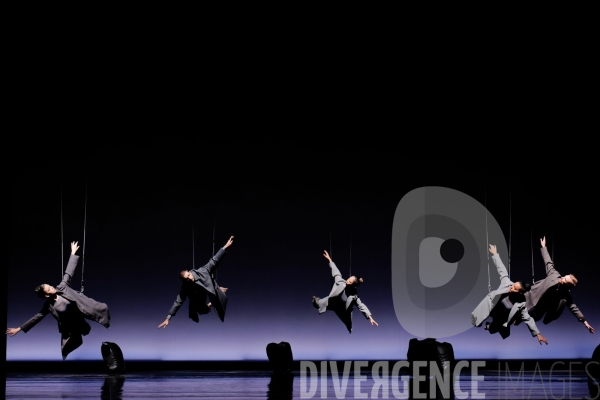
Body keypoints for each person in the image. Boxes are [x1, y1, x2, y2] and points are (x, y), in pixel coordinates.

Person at [5, 241, 111, 359]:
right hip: (72, 326)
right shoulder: (49, 306)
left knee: (101, 310)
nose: (52, 286)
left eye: (50, 285)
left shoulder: (62, 287)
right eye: (49, 288)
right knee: (79, 336)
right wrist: (19, 329)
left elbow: (68, 273)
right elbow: (36, 318)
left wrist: (73, 253)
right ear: (46, 295)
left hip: (82, 311)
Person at [471, 244, 548, 345]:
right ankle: (480, 322)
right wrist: (495, 254)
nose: (511, 288)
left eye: (514, 288)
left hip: (501, 318)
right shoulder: (507, 283)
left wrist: (538, 334)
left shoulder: (521, 303)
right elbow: (502, 270)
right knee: (477, 320)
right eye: (513, 285)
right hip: (492, 308)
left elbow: (528, 319)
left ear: (520, 292)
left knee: (494, 329)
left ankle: (489, 326)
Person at [158, 235, 234, 328]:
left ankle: (218, 289)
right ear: (184, 281)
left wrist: (225, 246)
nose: (189, 278)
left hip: (209, 288)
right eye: (186, 279)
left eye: (189, 275)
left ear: (190, 272)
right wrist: (168, 318)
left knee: (218, 300)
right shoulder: (185, 287)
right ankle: (210, 302)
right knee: (202, 311)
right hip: (198, 297)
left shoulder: (203, 271)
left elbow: (214, 261)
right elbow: (178, 301)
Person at [524, 236, 595, 334]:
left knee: (533, 318)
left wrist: (585, 322)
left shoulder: (565, 295)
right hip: (535, 295)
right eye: (564, 277)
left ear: (566, 286)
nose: (562, 278)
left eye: (564, 280)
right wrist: (544, 247)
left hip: (543, 307)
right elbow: (548, 262)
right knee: (521, 306)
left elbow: (574, 308)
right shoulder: (554, 275)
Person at [312, 250, 378, 333]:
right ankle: (316, 299)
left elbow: (361, 306)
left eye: (350, 282)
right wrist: (329, 260)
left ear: (353, 285)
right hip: (331, 302)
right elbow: (336, 272)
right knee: (318, 303)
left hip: (341, 310)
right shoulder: (341, 282)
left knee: (347, 322)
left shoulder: (354, 296)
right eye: (348, 279)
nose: (347, 281)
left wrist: (370, 317)